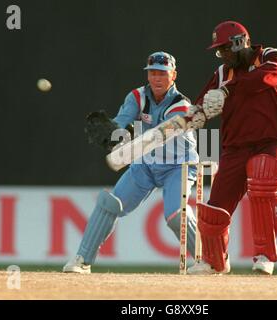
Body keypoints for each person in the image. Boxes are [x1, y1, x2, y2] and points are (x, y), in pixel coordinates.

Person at [63, 51, 199, 273]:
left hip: (178, 165)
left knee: (176, 216)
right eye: (153, 73)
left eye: (162, 74)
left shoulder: (180, 105)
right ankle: (82, 260)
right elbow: (122, 122)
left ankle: (208, 259)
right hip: (146, 164)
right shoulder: (137, 97)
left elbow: (158, 136)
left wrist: (125, 147)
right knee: (109, 204)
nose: (157, 78)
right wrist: (113, 132)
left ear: (173, 75)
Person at [185, 21, 277, 275]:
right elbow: (202, 105)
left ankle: (264, 256)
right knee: (214, 209)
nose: (222, 55)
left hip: (272, 141)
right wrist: (195, 114)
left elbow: (262, 79)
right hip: (235, 147)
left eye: (224, 49)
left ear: (239, 42)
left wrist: (226, 92)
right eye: (218, 51)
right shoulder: (223, 73)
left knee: (263, 172)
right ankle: (214, 261)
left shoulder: (272, 56)